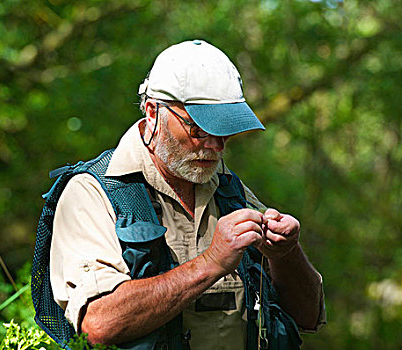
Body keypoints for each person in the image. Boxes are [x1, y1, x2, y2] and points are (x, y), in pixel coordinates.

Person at [47, 39, 325, 349]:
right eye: (198, 129)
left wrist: (286, 253)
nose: (216, 146)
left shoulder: (229, 189)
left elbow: (307, 316)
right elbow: (98, 324)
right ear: (153, 113)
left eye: (225, 130)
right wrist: (211, 263)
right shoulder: (94, 192)